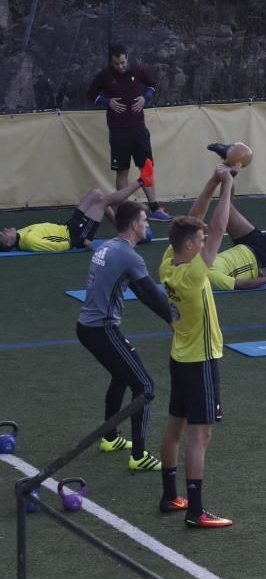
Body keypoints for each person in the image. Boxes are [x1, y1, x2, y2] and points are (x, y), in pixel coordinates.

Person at [157, 163, 237, 528]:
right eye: (201, 243)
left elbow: (194, 219)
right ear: (191, 248)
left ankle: (171, 495)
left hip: (180, 357)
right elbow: (218, 227)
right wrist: (228, 187)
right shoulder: (192, 275)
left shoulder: (168, 262)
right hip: (201, 361)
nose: (206, 244)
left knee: (175, 429)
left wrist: (212, 179)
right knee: (200, 435)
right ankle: (195, 510)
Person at [76, 200, 172, 471]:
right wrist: (174, 320)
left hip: (89, 327)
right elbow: (151, 294)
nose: (147, 224)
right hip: (102, 329)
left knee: (121, 376)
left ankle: (109, 438)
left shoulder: (108, 245)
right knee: (145, 387)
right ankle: (139, 456)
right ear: (133, 225)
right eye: (145, 220)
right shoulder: (129, 255)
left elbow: (141, 294)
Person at [86, 43, 170, 221]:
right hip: (118, 131)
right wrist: (107, 102)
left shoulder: (138, 71)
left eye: (123, 62)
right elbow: (91, 94)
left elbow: (152, 86)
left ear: (127, 57)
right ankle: (125, 212)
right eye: (116, 64)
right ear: (111, 61)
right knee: (122, 170)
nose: (120, 67)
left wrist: (144, 97)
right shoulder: (105, 75)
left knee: (146, 168)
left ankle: (154, 208)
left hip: (139, 129)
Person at [0, 163, 153, 252]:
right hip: (77, 234)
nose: (4, 230)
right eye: (3, 234)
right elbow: (58, 246)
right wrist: (81, 241)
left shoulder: (20, 234)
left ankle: (122, 230)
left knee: (96, 193)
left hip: (70, 225)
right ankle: (142, 180)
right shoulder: (28, 240)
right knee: (103, 203)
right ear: (8, 243)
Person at [186, 169, 266, 291]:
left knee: (225, 208)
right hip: (261, 253)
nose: (204, 240)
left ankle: (230, 170)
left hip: (244, 243)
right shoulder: (210, 277)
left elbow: (192, 220)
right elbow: (244, 285)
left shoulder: (193, 259)